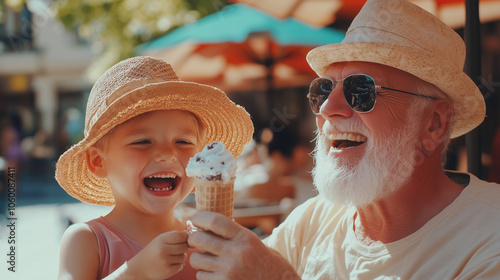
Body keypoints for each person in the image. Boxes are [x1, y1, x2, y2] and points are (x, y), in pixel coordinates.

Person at [186, 0, 500, 279]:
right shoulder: (314, 220)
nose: (327, 109)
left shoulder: (489, 237)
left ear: (433, 123)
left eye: (361, 91)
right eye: (323, 90)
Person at [55, 56, 253, 280]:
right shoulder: (87, 240)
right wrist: (134, 273)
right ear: (98, 162)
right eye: (143, 142)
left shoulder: (206, 242)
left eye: (183, 142)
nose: (168, 154)